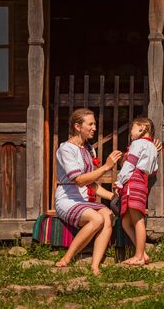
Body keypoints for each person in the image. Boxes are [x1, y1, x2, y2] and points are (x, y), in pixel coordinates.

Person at [55, 108, 122, 275]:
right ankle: (67, 258)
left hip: (84, 200)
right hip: (67, 199)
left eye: (94, 124)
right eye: (90, 124)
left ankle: (95, 266)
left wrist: (114, 196)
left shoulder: (89, 149)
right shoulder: (66, 149)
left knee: (108, 215)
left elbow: (91, 184)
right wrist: (106, 167)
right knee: (96, 218)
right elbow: (79, 180)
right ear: (78, 126)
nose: (94, 128)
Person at [114, 118, 158, 266]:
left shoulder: (137, 143)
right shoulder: (152, 147)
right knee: (126, 222)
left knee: (137, 220)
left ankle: (138, 256)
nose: (130, 133)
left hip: (133, 181)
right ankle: (143, 254)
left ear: (142, 128)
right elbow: (153, 170)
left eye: (132, 129)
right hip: (142, 182)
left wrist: (119, 182)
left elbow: (130, 164)